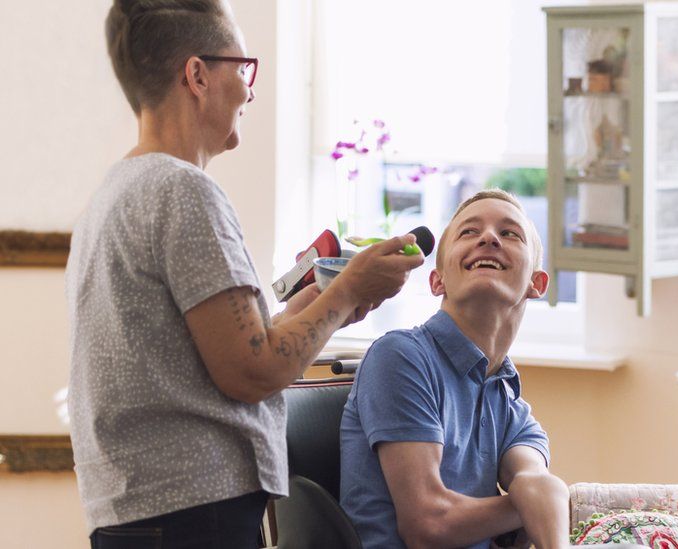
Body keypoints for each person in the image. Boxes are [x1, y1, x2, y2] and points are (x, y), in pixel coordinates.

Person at [66, 1, 424, 547]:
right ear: (197, 74)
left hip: (139, 513)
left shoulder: (114, 195)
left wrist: (333, 303)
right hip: (195, 514)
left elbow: (227, 350)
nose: (250, 91)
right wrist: (349, 288)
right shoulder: (184, 192)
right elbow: (252, 371)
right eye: (243, 69)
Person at [340, 189, 571, 549]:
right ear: (437, 281)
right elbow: (428, 525)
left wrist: (543, 498)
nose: (489, 238)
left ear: (536, 284)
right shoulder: (400, 356)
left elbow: (537, 482)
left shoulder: (511, 406)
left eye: (510, 233)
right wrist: (534, 506)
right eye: (469, 232)